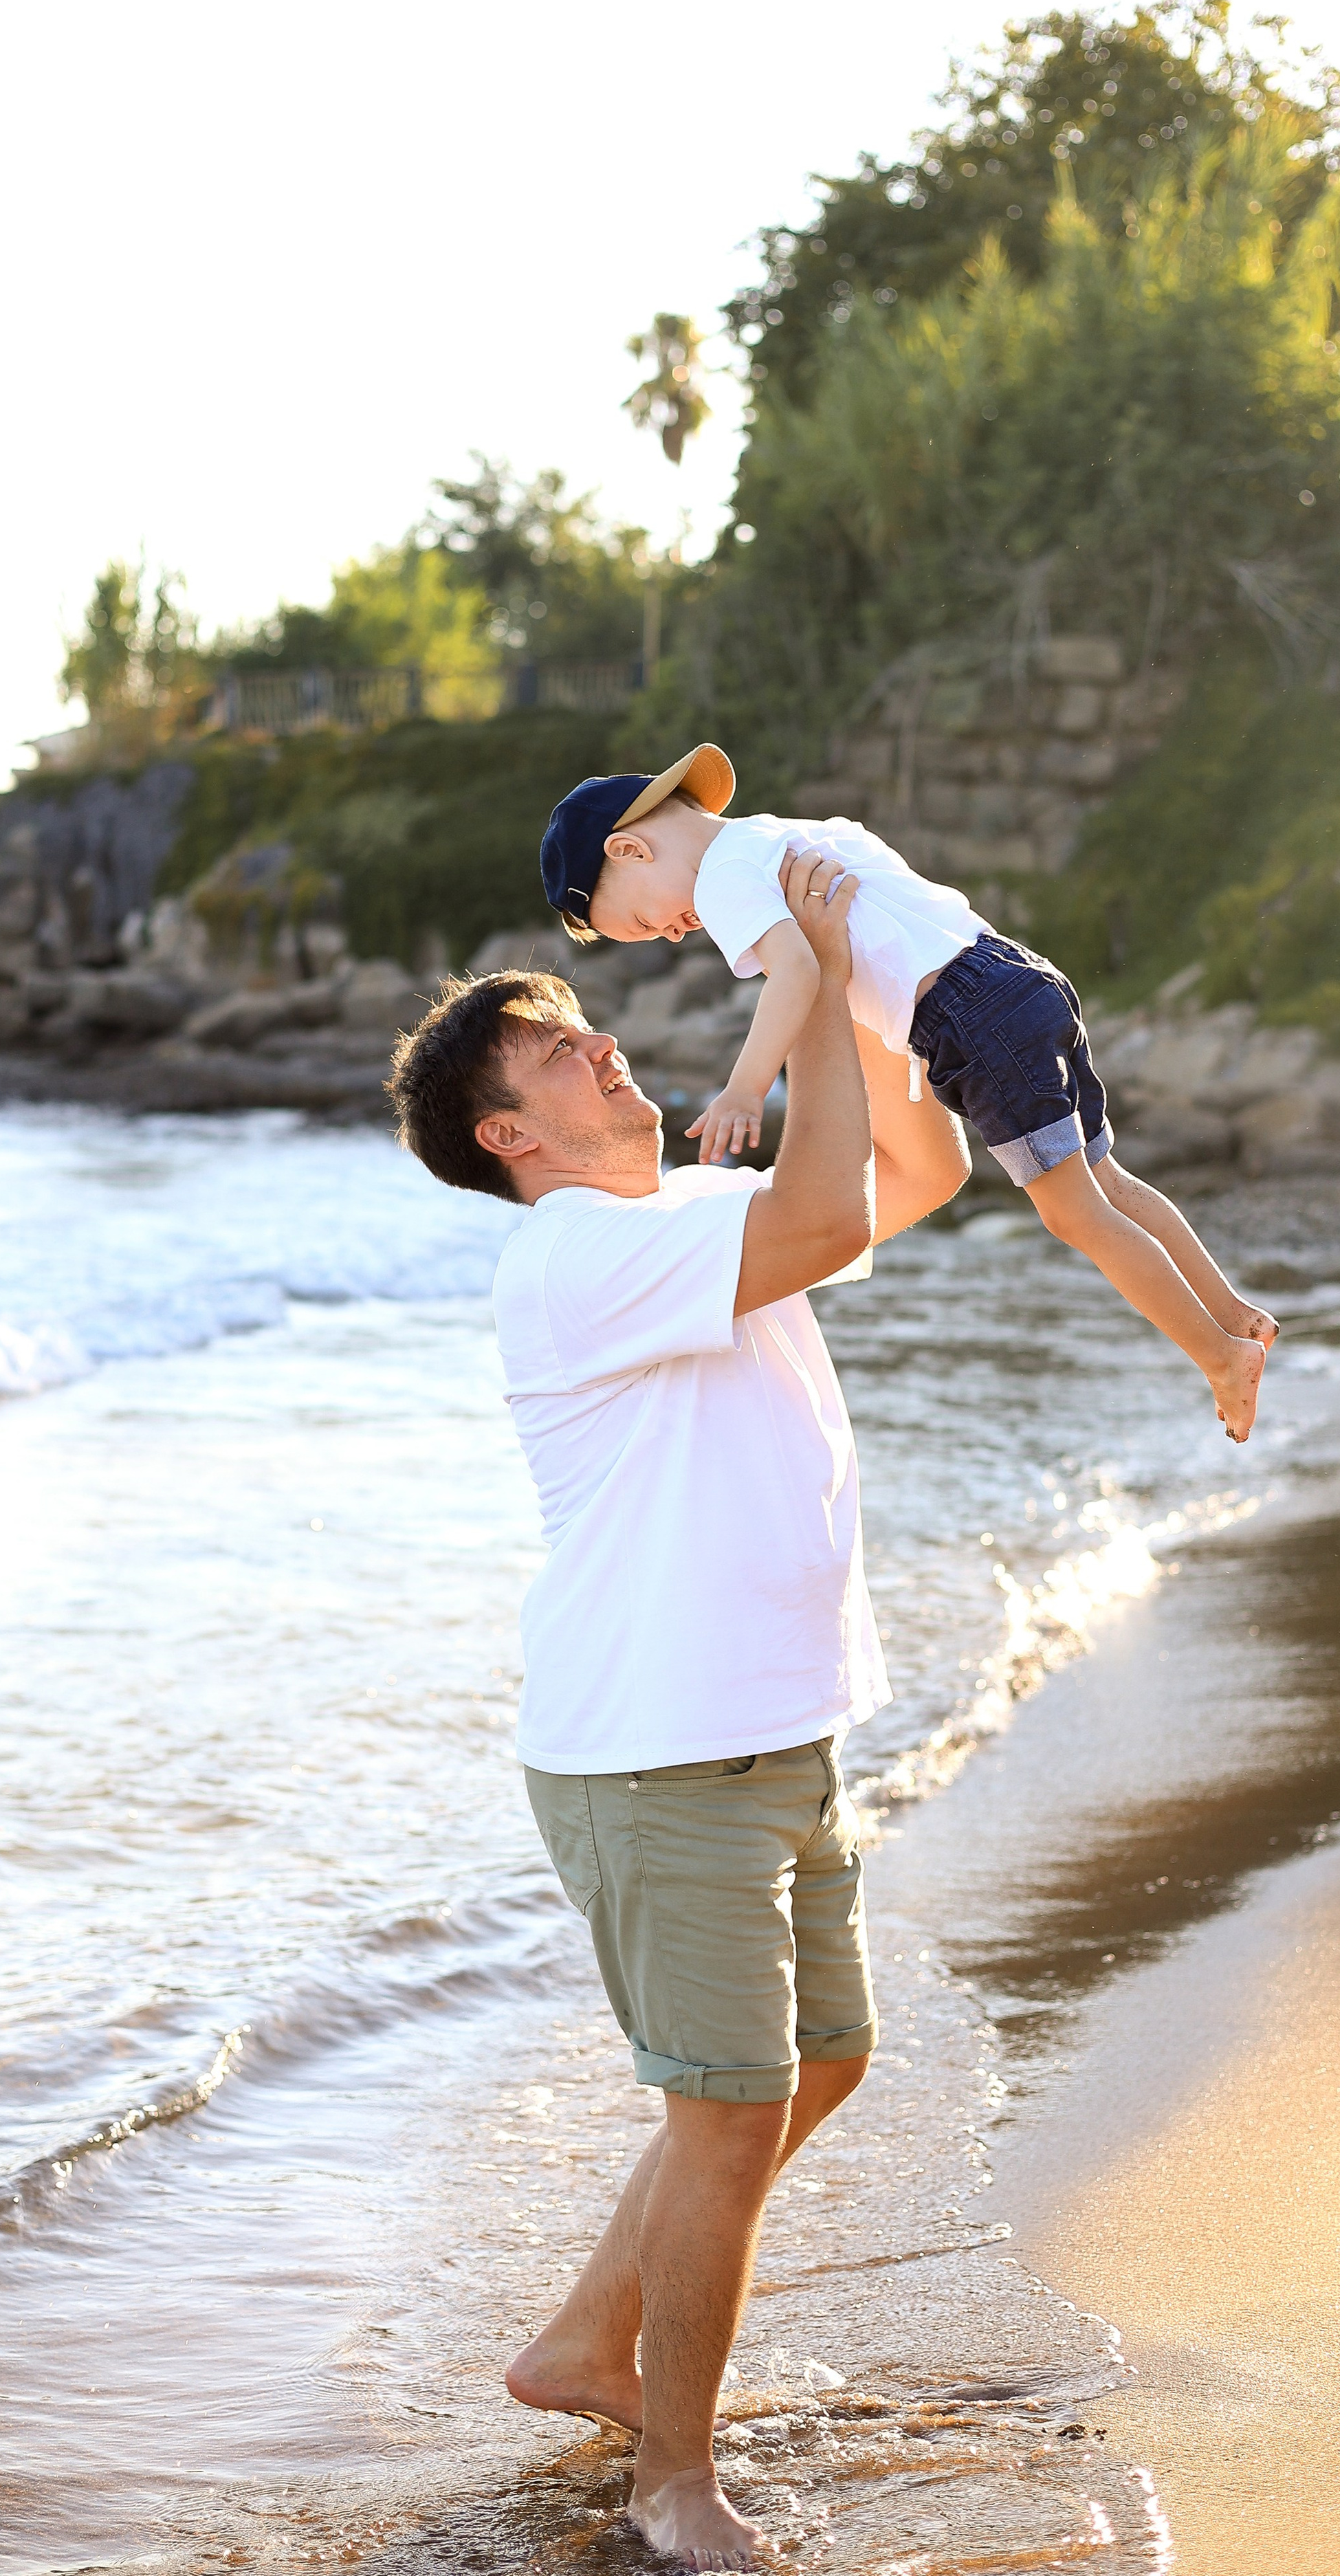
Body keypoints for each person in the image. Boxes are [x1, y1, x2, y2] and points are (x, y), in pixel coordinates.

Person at [388, 850, 952, 2571]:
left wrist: (879, 976)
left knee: (813, 2064)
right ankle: (669, 2487)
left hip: (772, 1729)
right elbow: (825, 1206)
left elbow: (895, 1174)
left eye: (586, 1026)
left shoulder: (684, 1218)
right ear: (510, 1136)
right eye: (554, 1051)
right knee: (724, 2112)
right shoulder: (571, 1258)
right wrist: (816, 980)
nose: (602, 1048)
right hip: (657, 1751)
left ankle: (581, 2345)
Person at [542, 744, 1279, 1443]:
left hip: (969, 1023)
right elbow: (885, 925)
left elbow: (797, 975)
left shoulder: (724, 879)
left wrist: (744, 1088)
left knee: (1072, 1213)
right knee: (1108, 1181)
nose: (673, 934)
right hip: (1017, 979)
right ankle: (1234, 1315)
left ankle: (1219, 1357)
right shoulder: (789, 835)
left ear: (630, 849)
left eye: (645, 920)